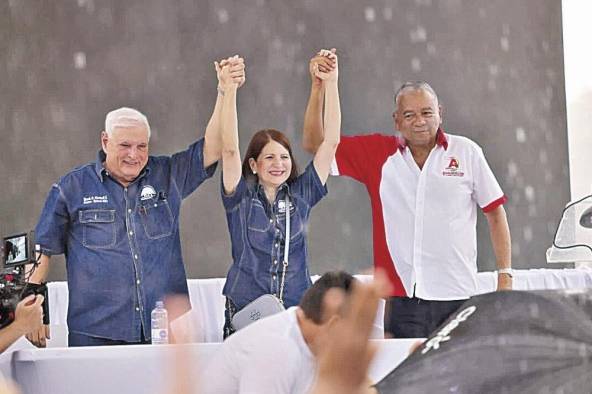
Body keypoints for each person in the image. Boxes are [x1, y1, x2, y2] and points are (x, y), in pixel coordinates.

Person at [28, 57, 245, 347]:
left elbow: (213, 148)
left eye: (142, 146)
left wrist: (224, 91)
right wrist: (33, 308)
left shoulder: (167, 175)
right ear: (105, 142)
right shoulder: (72, 187)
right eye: (125, 145)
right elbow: (43, 248)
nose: (134, 154)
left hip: (169, 333)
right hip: (97, 335)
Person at [303, 76, 512, 338]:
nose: (419, 121)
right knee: (408, 377)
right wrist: (318, 87)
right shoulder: (377, 154)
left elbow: (494, 212)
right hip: (403, 302)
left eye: (426, 112)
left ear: (440, 114)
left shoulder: (467, 152)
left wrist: (505, 276)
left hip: (458, 294)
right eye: (409, 115)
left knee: (458, 377)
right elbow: (315, 145)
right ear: (397, 120)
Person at [217, 49, 340, 337]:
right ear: (253, 164)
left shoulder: (302, 194)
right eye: (269, 158)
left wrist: (331, 83)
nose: (279, 164)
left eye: (284, 157)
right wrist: (229, 91)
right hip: (248, 311)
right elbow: (229, 149)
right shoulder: (240, 197)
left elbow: (331, 142)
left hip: (296, 312)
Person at [200, 271, 377, 394]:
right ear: (334, 324)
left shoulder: (305, 337)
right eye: (356, 333)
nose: (356, 344)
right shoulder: (278, 349)